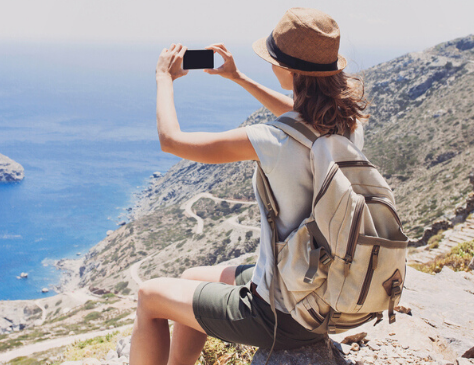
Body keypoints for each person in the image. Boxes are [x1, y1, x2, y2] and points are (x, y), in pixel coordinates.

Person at [130, 8, 369, 365]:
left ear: (288, 71)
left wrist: (164, 79)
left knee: (150, 296)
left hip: (281, 316)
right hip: (326, 292)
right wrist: (237, 77)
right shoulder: (348, 125)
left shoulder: (271, 140)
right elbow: (298, 113)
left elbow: (172, 141)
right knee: (192, 277)